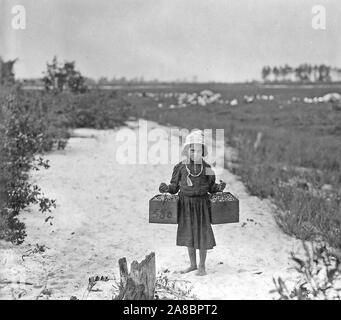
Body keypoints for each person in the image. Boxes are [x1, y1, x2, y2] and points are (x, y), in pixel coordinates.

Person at [159, 129, 226, 276]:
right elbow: (174, 188)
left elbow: (211, 187)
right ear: (187, 151)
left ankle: (202, 266)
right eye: (192, 150)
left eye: (198, 150)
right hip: (185, 205)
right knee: (189, 235)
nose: (195, 153)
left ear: (203, 152)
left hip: (201, 205)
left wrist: (218, 188)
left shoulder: (207, 168)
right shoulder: (181, 167)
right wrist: (166, 189)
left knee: (202, 236)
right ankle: (193, 264)